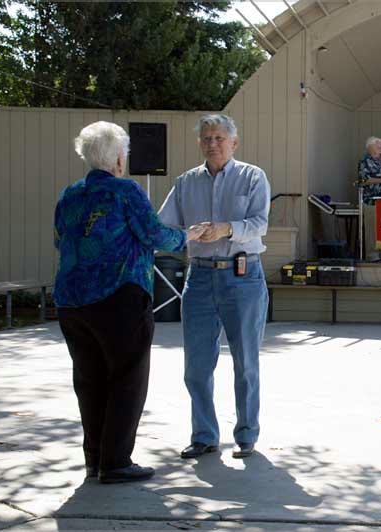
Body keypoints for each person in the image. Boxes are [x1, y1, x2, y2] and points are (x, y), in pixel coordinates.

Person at [54, 121, 204, 484]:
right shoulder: (126, 191)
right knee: (126, 379)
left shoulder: (70, 194)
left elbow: (61, 242)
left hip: (72, 301)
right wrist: (188, 235)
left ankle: (95, 459)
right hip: (119, 297)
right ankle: (116, 461)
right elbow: (155, 234)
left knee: (89, 380)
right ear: (119, 157)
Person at [158, 114, 271, 460]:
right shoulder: (185, 182)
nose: (213, 143)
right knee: (196, 365)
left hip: (242, 276)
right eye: (207, 138)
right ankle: (204, 435)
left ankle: (247, 435)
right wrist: (187, 234)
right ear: (199, 144)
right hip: (200, 276)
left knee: (246, 362)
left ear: (234, 143)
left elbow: (259, 224)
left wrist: (225, 229)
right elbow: (163, 226)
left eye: (220, 138)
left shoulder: (253, 177)